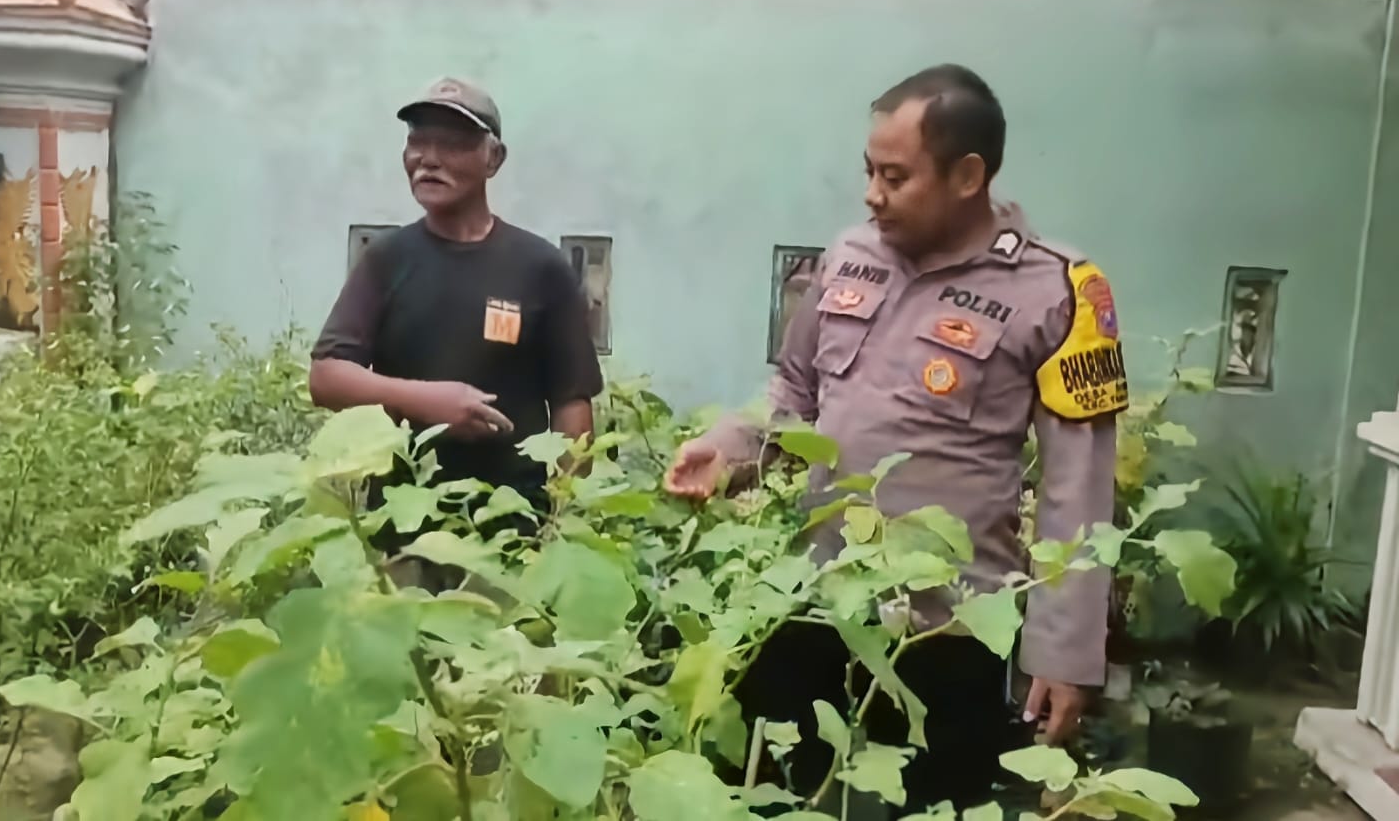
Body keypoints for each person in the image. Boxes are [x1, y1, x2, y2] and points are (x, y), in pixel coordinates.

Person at [666, 65, 1125, 814]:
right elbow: (796, 390)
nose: (872, 194)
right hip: (815, 604)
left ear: (968, 174)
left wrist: (1066, 654)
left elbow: (1080, 487)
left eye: (895, 176)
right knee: (774, 800)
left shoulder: (1061, 292)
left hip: (948, 632)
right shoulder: (851, 256)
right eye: (869, 172)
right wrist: (730, 447)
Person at [309, 77, 604, 561]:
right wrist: (429, 401)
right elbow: (326, 377)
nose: (428, 158)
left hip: (512, 537)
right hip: (404, 534)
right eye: (417, 142)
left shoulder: (539, 267)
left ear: (494, 158)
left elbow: (573, 405)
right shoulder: (387, 260)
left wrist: (564, 523)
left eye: (450, 143)